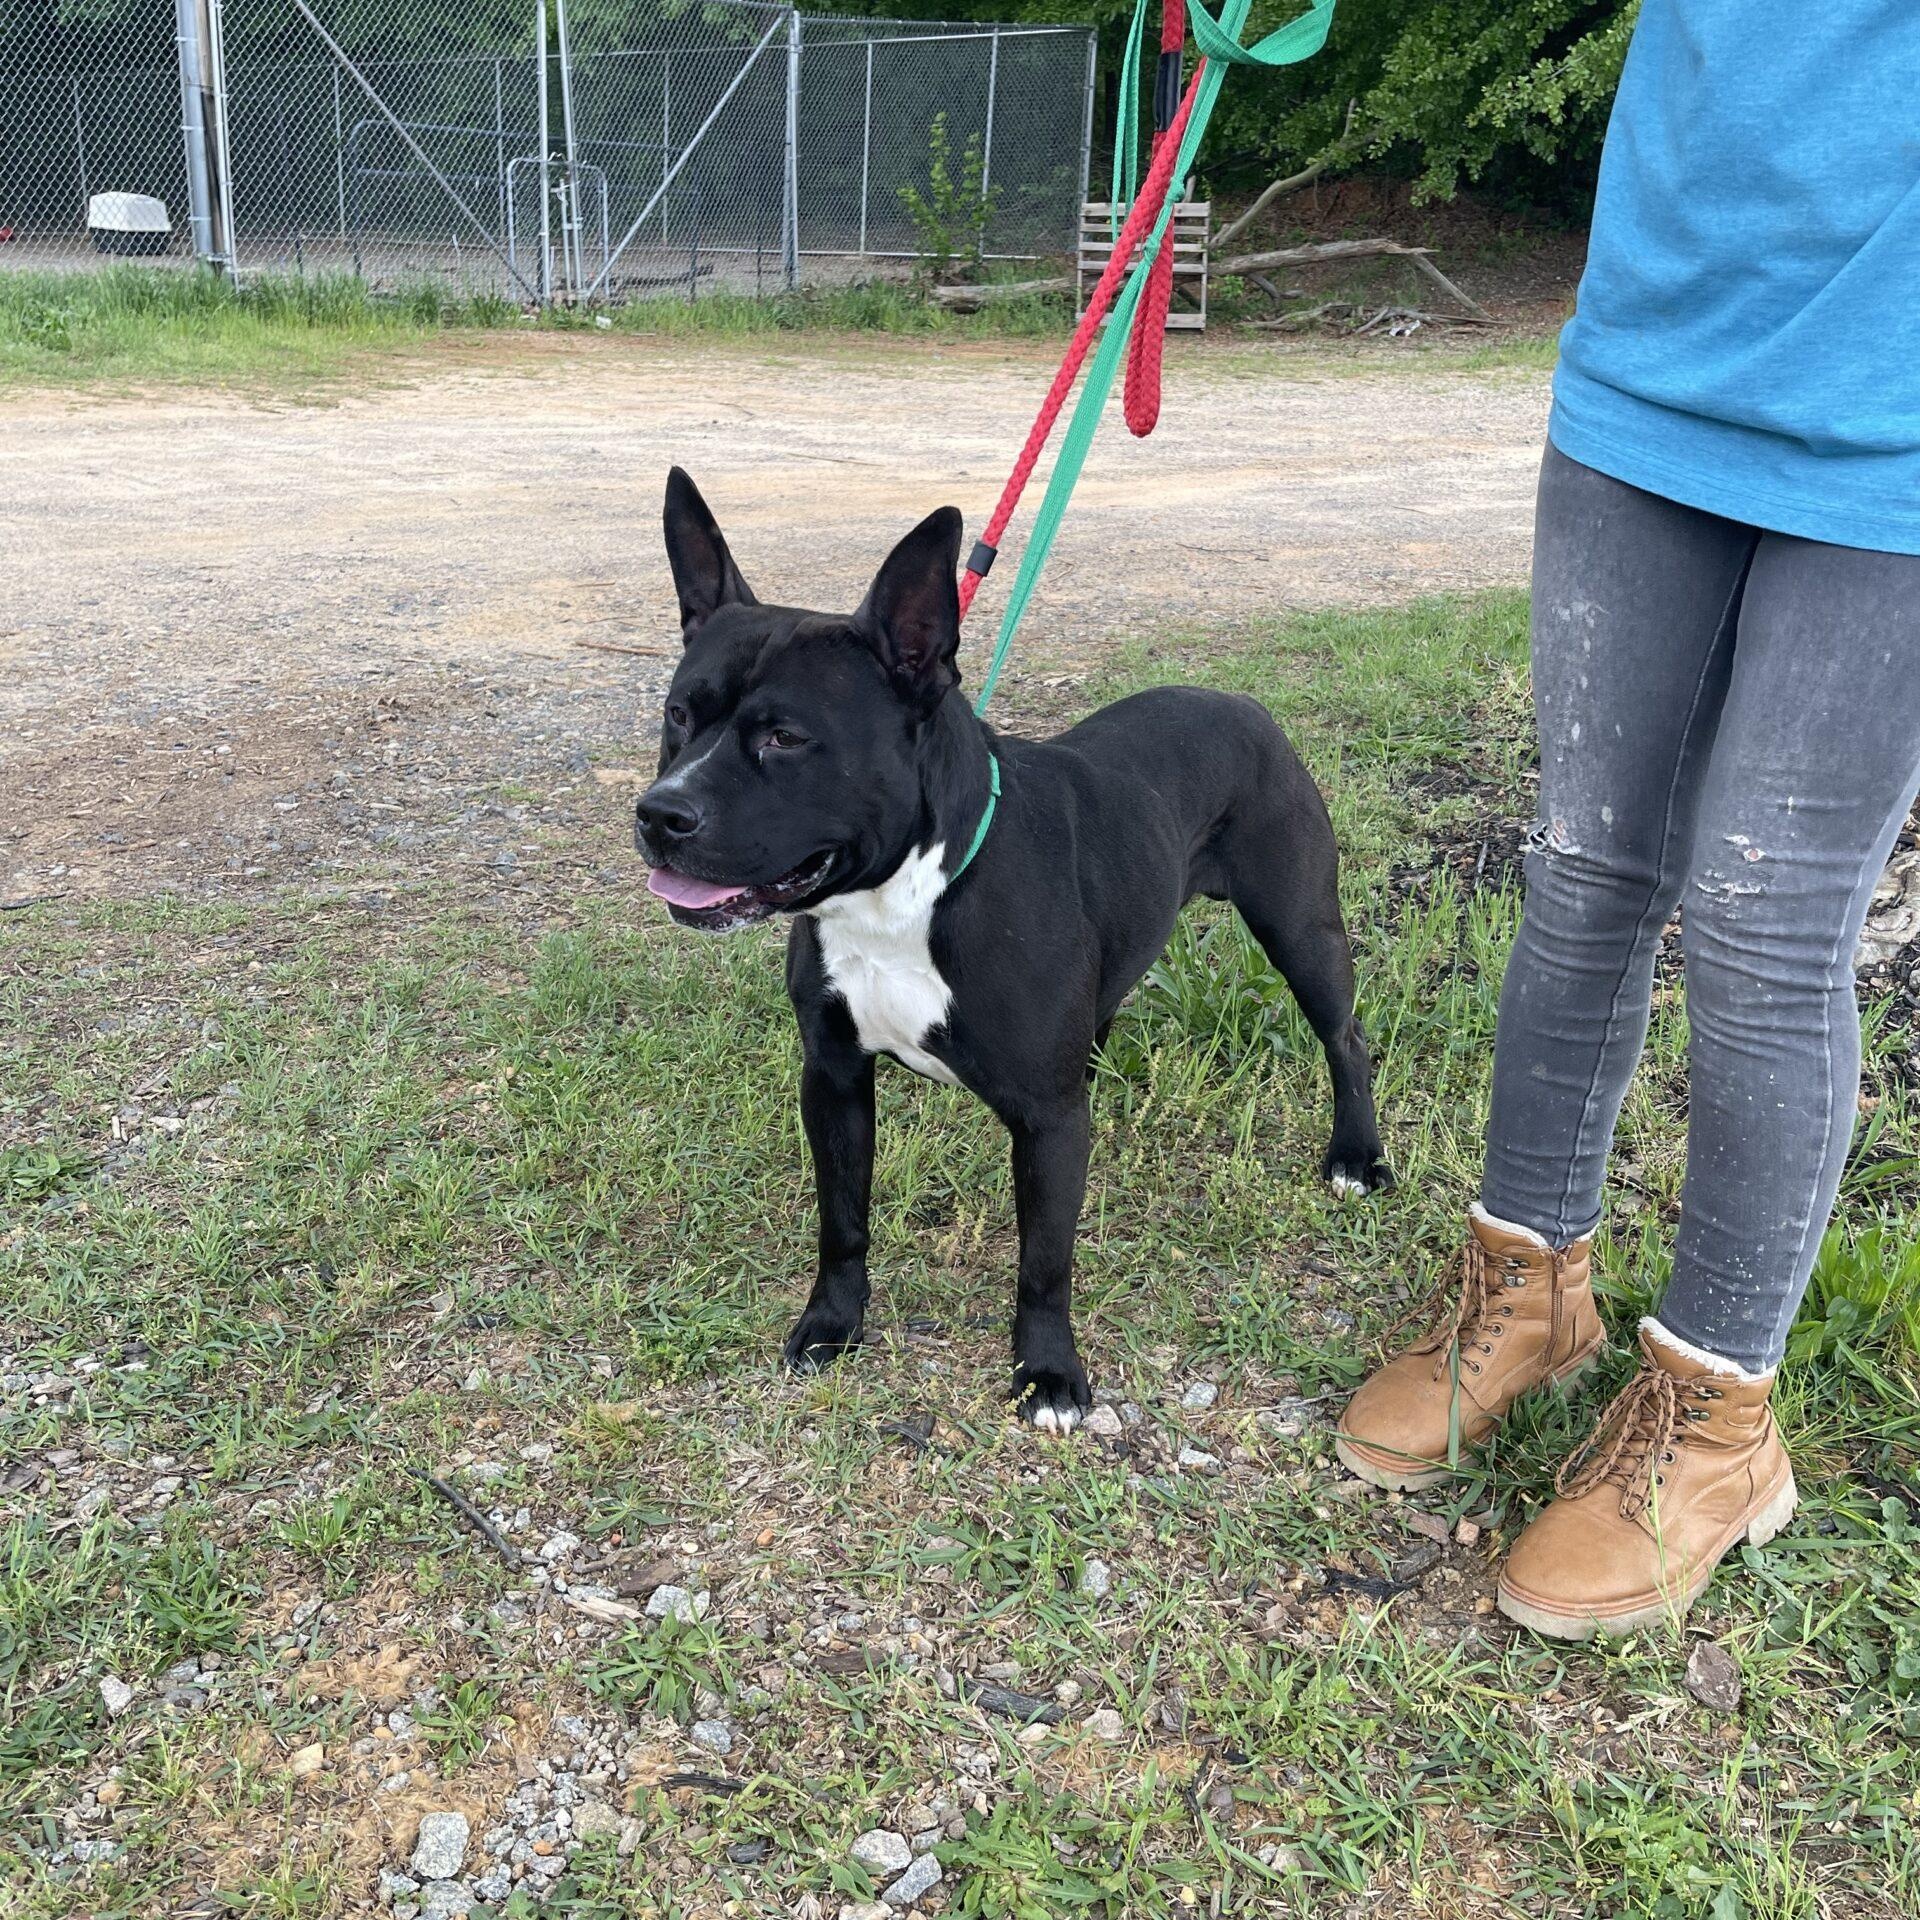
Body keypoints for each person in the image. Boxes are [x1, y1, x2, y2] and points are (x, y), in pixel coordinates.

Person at [1332, 0, 1920, 1638]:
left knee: (1762, 914)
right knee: (1585, 865)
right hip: (1654, 357)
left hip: (1899, 411)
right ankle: (1528, 1291)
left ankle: (1721, 1420)